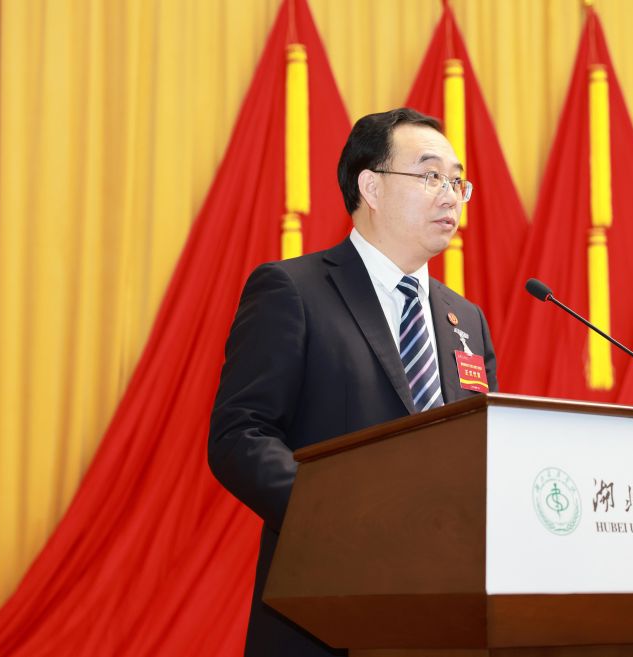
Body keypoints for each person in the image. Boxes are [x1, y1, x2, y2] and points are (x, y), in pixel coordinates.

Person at [207, 108, 498, 657]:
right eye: (431, 176)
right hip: (325, 608)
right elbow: (240, 435)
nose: (451, 195)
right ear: (371, 187)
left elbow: (482, 449)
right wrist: (344, 522)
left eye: (457, 181)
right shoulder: (293, 290)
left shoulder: (466, 319)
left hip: (449, 610)